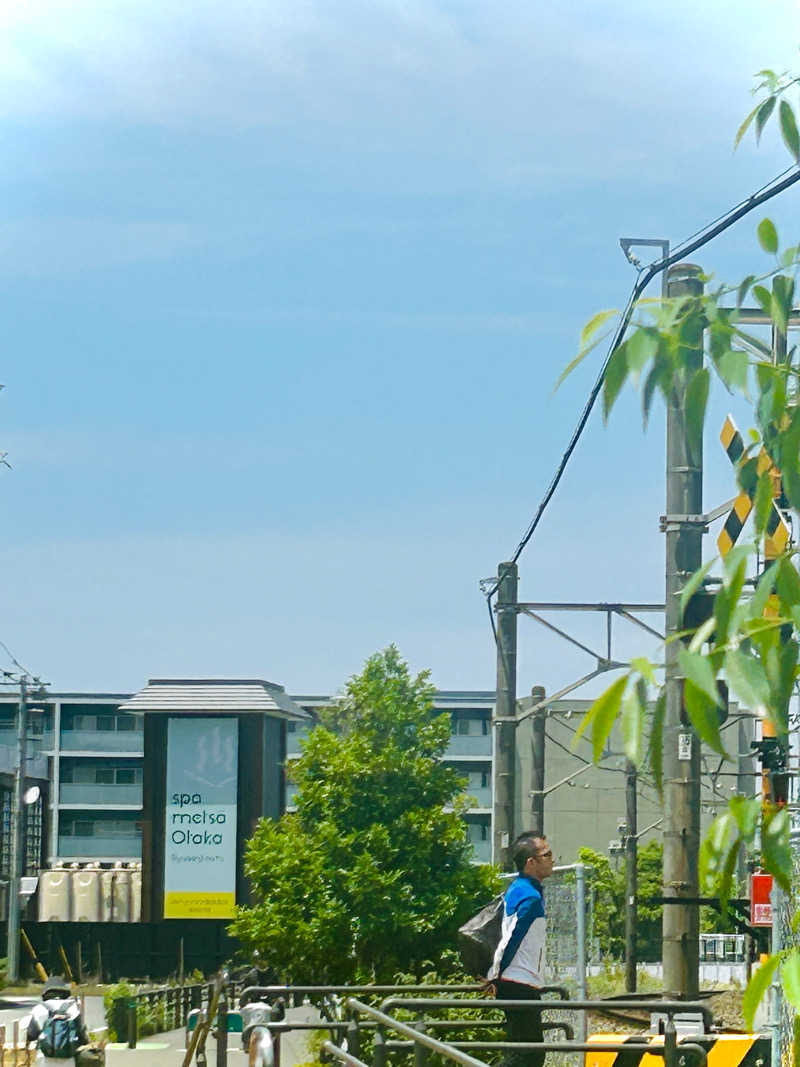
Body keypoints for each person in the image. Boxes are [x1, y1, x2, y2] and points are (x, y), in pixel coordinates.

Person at [488, 835, 555, 1067]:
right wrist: (494, 976)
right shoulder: (529, 896)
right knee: (527, 1055)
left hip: (519, 980)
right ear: (530, 862)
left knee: (527, 1052)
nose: (552, 860)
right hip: (517, 981)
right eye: (546, 855)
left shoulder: (522, 889)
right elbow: (510, 939)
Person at [26, 976, 90, 1065]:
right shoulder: (73, 1008)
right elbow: (82, 1036)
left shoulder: (40, 1009)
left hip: (44, 1059)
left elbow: (31, 1035)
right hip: (68, 1059)